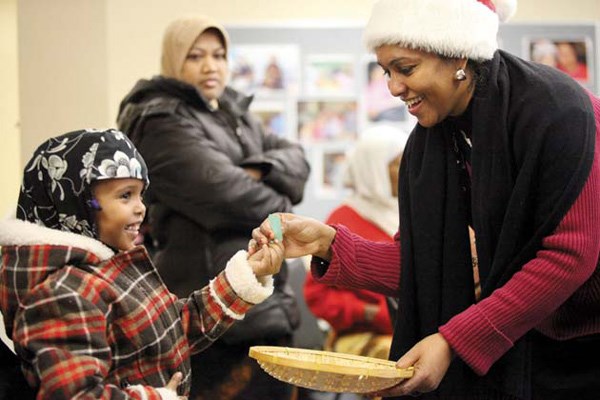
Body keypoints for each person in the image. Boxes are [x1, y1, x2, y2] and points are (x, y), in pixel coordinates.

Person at [251, 0, 600, 399]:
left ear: (459, 54)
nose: (393, 88)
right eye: (386, 71)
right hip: (526, 341)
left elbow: (570, 255)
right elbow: (425, 265)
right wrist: (326, 243)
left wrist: (453, 341)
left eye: (406, 68)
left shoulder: (556, 112)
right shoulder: (432, 144)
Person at [0, 129, 284, 399]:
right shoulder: (61, 294)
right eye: (125, 195)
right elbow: (75, 394)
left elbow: (174, 328)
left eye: (140, 194)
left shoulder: (104, 268)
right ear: (76, 203)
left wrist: (247, 273)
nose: (141, 208)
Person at [116, 15, 310, 400]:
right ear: (174, 60)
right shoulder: (158, 119)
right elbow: (229, 197)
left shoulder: (232, 113)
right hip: (210, 315)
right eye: (195, 55)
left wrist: (258, 170)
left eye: (219, 55)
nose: (211, 66)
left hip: (262, 304)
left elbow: (298, 162)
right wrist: (278, 199)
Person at [304, 126, 408, 362]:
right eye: (397, 163)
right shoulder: (343, 218)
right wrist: (367, 313)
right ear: (374, 170)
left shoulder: (408, 212)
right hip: (365, 334)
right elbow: (317, 295)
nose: (405, 171)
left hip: (408, 329)